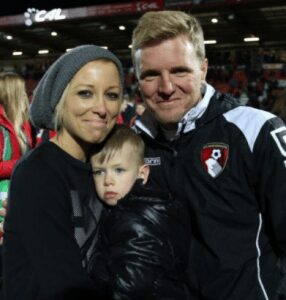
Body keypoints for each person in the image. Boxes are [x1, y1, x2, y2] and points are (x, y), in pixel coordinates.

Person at [131, 10, 286, 300]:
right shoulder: (132, 145)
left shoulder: (256, 131)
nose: (166, 88)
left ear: (203, 68)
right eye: (151, 75)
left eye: (179, 71)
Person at [2, 44, 124, 300]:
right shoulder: (38, 172)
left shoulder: (106, 164)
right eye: (85, 93)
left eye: (112, 95)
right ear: (59, 98)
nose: (102, 108)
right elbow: (64, 285)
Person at [87, 124, 190, 299]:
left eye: (119, 170)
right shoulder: (135, 208)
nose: (108, 181)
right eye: (99, 172)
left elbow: (131, 287)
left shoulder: (135, 220)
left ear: (142, 173)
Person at [0, 72, 35, 220]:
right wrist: (22, 163)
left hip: (21, 191)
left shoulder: (24, 123)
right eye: (22, 91)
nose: (26, 95)